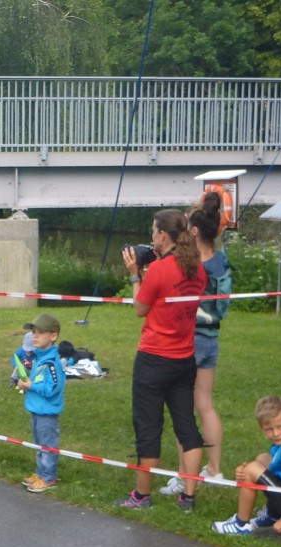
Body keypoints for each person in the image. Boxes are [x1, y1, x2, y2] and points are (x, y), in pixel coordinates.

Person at [115, 209, 208, 511]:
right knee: (187, 426)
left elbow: (140, 308)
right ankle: (188, 496)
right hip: (184, 358)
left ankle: (141, 496)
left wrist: (134, 274)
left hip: (154, 359)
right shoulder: (198, 268)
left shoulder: (158, 271)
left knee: (149, 427)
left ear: (162, 236)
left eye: (154, 231)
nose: (151, 236)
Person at [160, 191, 233, 496]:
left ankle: (183, 475)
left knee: (182, 409)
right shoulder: (222, 261)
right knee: (206, 405)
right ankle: (214, 471)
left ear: (192, 231)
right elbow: (223, 308)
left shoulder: (188, 265)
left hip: (188, 341)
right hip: (211, 339)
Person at [212, 396, 281, 535]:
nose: (275, 433)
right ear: (261, 428)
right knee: (262, 459)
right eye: (269, 429)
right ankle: (272, 515)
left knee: (252, 470)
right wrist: (248, 468)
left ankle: (241, 524)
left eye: (280, 427)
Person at [17, 313, 65, 493]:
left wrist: (32, 386)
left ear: (53, 336)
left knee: (48, 446)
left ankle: (49, 477)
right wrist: (26, 383)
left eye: (40, 333)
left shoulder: (51, 362)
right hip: (37, 410)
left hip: (47, 412)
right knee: (39, 445)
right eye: (33, 332)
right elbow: (37, 380)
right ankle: (40, 473)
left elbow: (52, 388)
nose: (34, 336)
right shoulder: (39, 358)